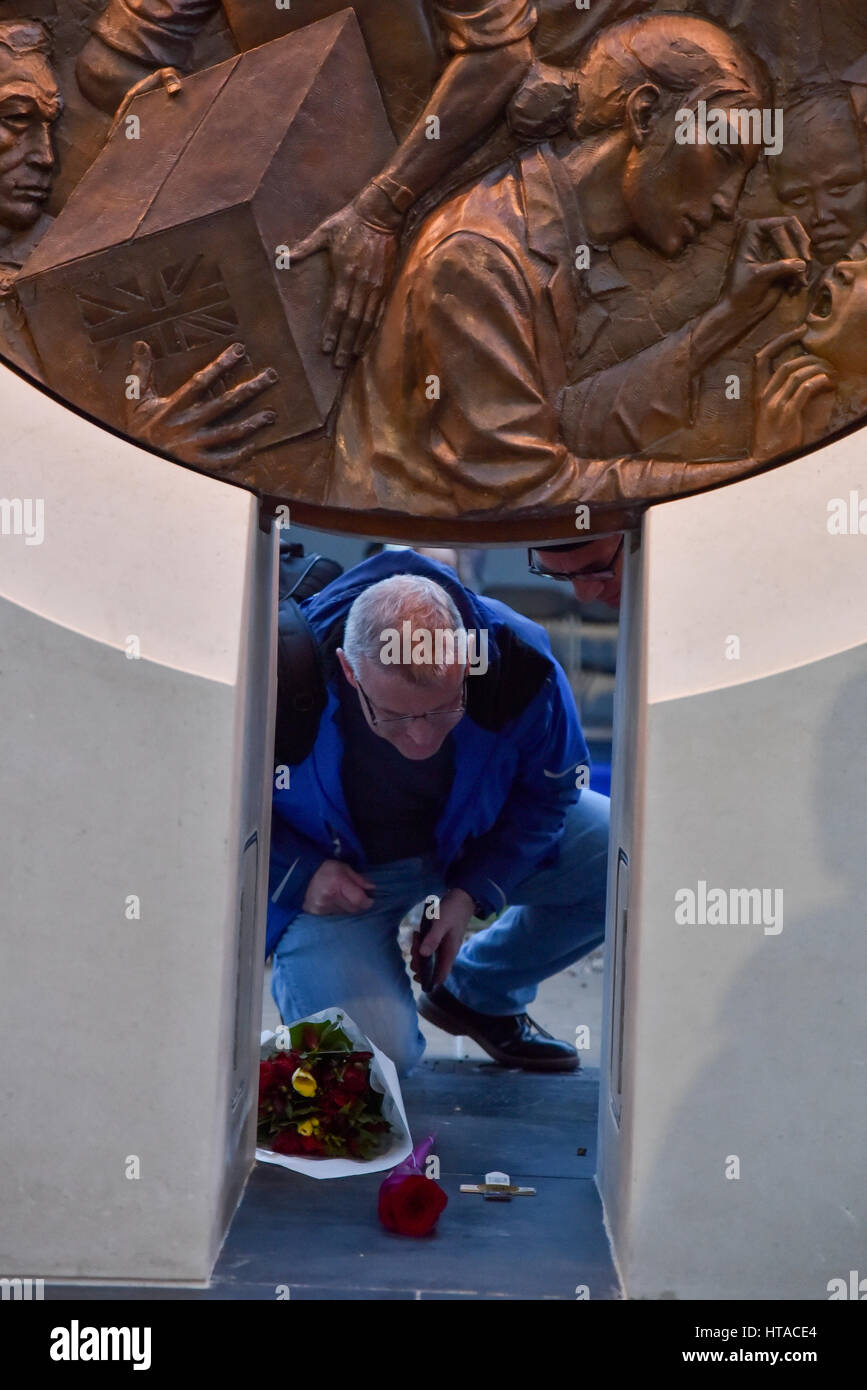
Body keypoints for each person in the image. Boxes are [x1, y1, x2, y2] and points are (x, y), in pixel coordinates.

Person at [329, 12, 810, 517]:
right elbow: (523, 491)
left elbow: (567, 423)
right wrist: (749, 477)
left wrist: (729, 316)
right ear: (645, 115)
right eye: (726, 153)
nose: (729, 203)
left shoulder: (555, 233)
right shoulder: (480, 258)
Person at [267, 548, 610, 1076]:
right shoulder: (277, 671)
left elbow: (552, 792)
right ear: (348, 670)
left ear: (468, 657)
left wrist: (474, 891)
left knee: (627, 857)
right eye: (397, 716)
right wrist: (296, 873)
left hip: (473, 836)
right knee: (369, 1065)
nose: (422, 738)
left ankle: (478, 993)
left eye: (445, 708)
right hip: (340, 873)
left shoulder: (518, 662)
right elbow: (209, 801)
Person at [0, 21, 275, 472]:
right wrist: (137, 455)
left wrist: (137, 156)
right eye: (15, 118)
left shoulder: (47, 249)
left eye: (49, 124)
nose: (45, 156)